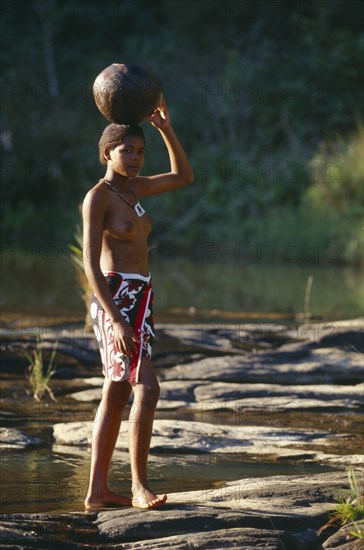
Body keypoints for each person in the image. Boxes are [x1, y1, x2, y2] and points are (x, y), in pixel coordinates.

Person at [82, 98, 194, 510]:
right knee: (146, 388)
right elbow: (90, 264)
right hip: (116, 298)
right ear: (107, 152)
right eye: (127, 150)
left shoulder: (136, 189)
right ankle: (138, 486)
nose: (135, 158)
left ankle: (97, 492)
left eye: (141, 152)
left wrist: (165, 128)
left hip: (141, 296)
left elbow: (184, 175)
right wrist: (115, 319)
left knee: (115, 393)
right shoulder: (98, 198)